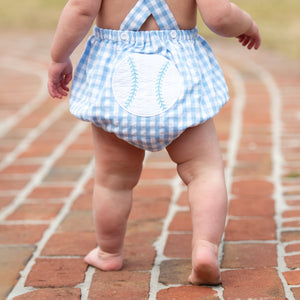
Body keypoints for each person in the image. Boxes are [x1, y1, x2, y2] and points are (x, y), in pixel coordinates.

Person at [48, 0, 261, 285]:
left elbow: (79, 10)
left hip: (116, 78)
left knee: (113, 179)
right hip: (180, 78)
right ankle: (205, 248)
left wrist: (58, 57)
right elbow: (221, 15)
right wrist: (247, 24)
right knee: (203, 172)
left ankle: (109, 251)